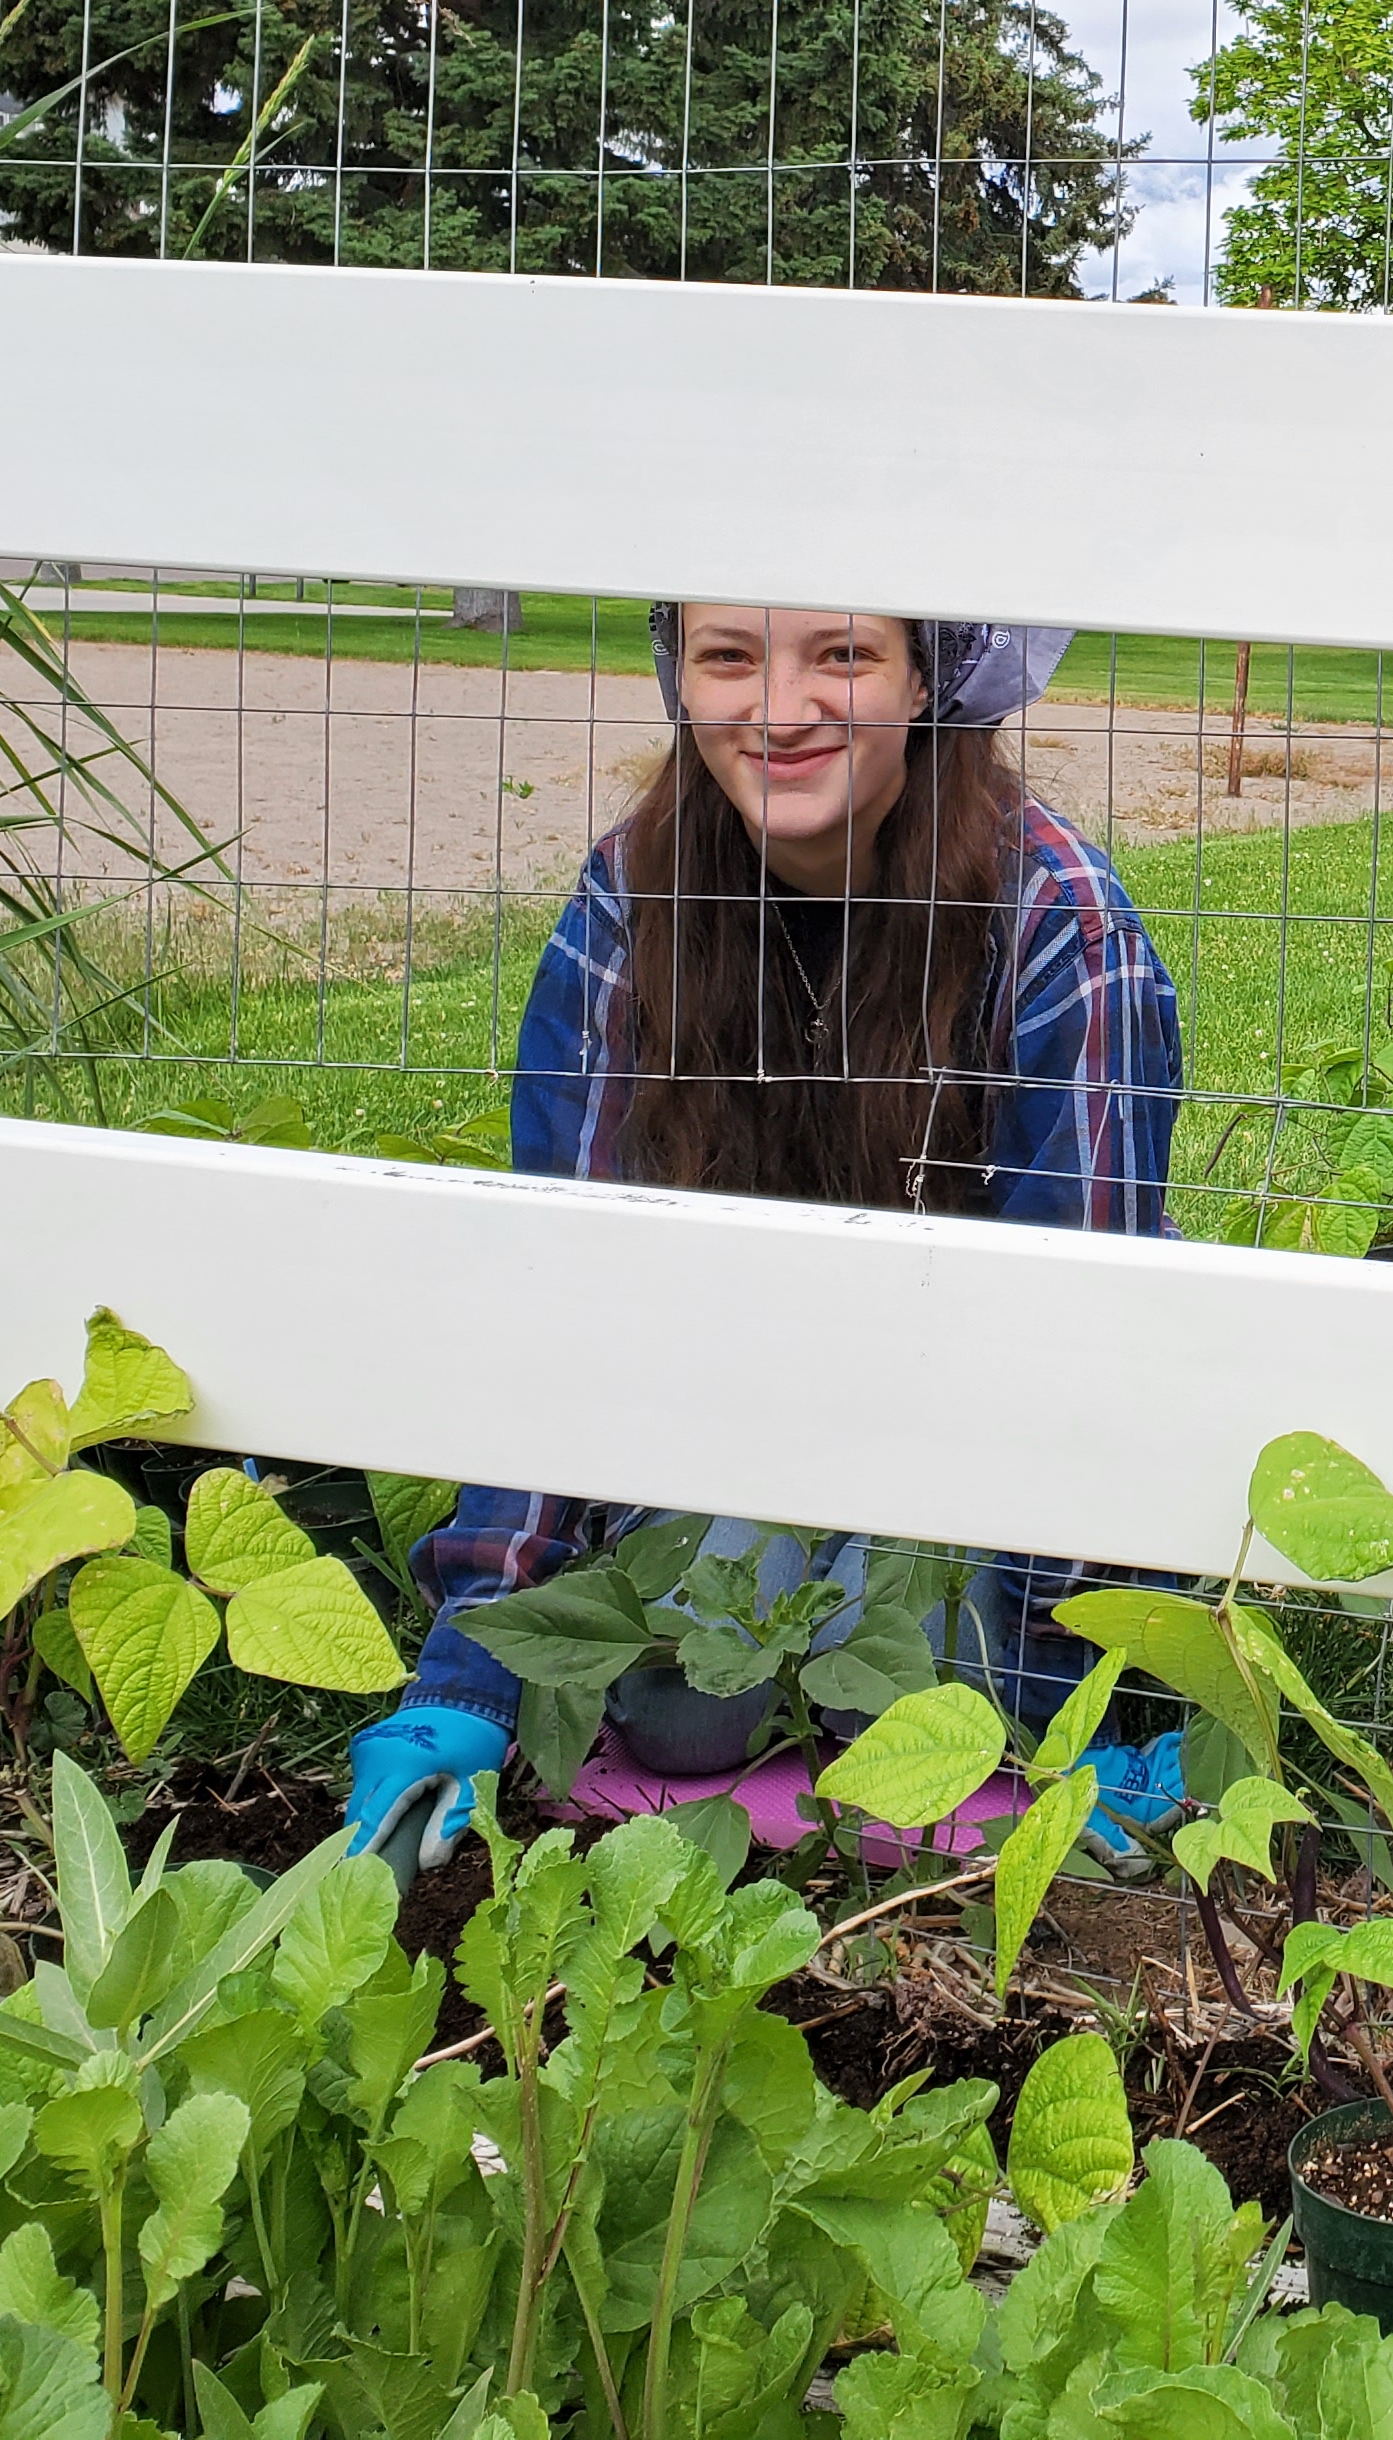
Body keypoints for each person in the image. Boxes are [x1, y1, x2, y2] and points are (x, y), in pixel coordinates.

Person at [338, 604, 1186, 1870]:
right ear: (675, 675)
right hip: (737, 1440)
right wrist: (471, 1674)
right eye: (729, 657)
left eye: (841, 656)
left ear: (930, 677)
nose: (778, 710)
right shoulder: (631, 902)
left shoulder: (1059, 922)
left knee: (884, 1696)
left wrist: (1067, 1703)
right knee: (685, 1712)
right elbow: (555, 1301)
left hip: (982, 1479)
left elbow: (1081, 1350)